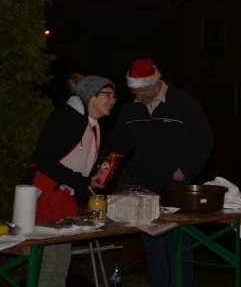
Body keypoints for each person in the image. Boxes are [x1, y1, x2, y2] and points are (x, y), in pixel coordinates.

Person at [99, 59, 214, 287]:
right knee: (153, 243)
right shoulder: (131, 109)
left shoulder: (184, 103)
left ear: (155, 84)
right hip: (144, 187)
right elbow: (117, 145)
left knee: (178, 243)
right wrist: (99, 165)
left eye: (142, 91)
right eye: (134, 91)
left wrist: (185, 170)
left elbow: (204, 140)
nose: (138, 96)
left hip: (176, 187)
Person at [26, 74, 116, 287]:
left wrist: (91, 179)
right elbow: (44, 159)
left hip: (67, 196)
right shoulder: (67, 117)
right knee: (47, 262)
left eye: (115, 97)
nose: (113, 100)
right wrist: (81, 181)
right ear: (91, 96)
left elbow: (79, 164)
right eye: (108, 95)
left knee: (62, 264)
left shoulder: (95, 125)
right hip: (46, 191)